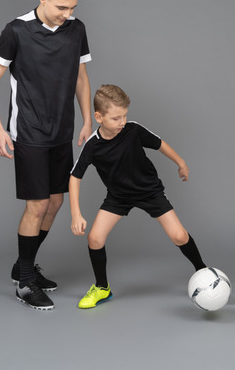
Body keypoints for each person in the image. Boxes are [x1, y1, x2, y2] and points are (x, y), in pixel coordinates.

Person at [0, 0, 92, 310]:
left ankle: (23, 266)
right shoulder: (16, 30)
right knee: (37, 205)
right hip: (28, 131)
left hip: (62, 130)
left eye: (72, 7)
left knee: (56, 202)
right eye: (62, 7)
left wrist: (87, 118)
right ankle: (26, 283)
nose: (68, 14)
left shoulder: (77, 29)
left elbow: (81, 76)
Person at [69, 84, 206, 309]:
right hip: (118, 197)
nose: (122, 122)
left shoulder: (132, 130)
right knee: (94, 238)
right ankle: (102, 288)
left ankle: (203, 270)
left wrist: (181, 163)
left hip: (149, 191)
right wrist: (76, 214)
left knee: (179, 236)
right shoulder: (92, 146)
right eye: (116, 118)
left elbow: (160, 144)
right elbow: (75, 177)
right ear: (98, 117)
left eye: (124, 115)